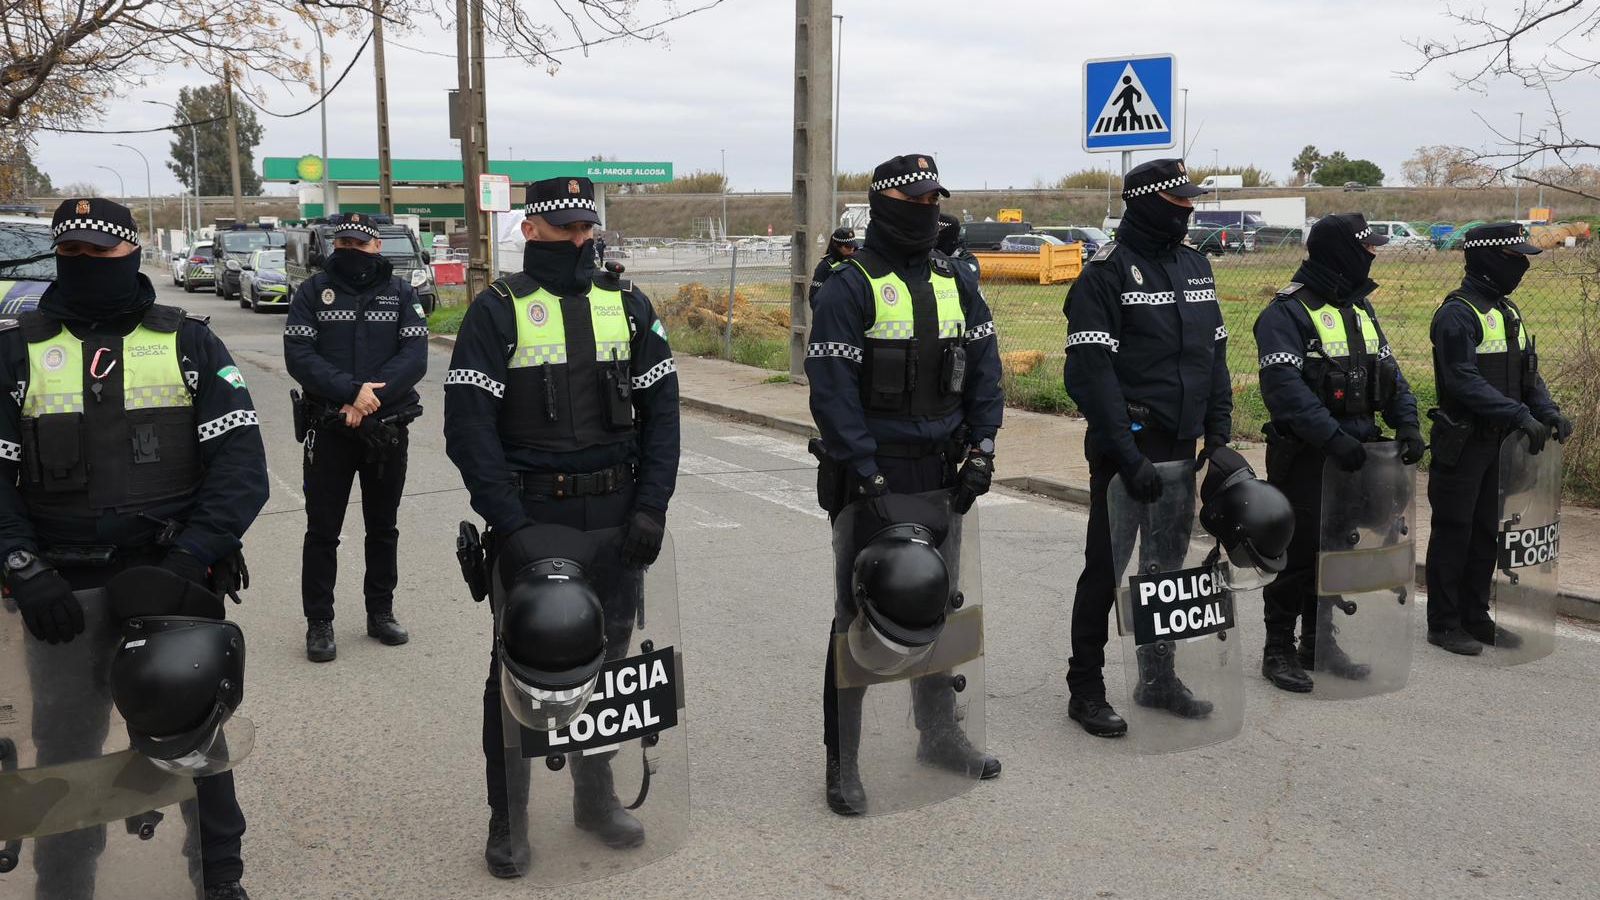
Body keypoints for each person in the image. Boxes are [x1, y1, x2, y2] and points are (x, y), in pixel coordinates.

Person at [0, 197, 267, 900]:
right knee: (64, 754)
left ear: (133, 253)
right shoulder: (15, 350)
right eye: (73, 252)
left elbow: (242, 471)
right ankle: (64, 884)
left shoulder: (188, 342)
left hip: (171, 584)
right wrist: (22, 565)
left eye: (101, 252)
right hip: (59, 593)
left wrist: (185, 564)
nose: (85, 263)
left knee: (196, 744)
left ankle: (219, 880)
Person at [442, 176, 679, 876]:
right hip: (532, 517)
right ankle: (508, 817)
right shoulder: (498, 310)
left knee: (607, 662)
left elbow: (663, 414)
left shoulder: (630, 304)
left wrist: (651, 507)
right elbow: (468, 430)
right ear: (533, 231)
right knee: (519, 666)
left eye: (588, 227)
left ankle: (595, 798)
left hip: (616, 514)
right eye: (567, 228)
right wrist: (509, 527)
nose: (582, 238)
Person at [806, 152, 1004, 815]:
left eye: (935, 202)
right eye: (917, 203)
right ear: (888, 205)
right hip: (871, 480)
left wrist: (983, 448)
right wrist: (866, 473)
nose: (930, 214)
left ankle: (941, 737)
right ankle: (844, 766)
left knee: (939, 603)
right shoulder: (849, 285)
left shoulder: (955, 281)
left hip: (943, 476)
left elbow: (985, 371)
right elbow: (832, 394)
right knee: (858, 617)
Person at [1061, 158, 1230, 738]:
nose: (1189, 212)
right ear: (1148, 203)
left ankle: (1158, 679)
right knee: (1104, 572)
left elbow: (1214, 356)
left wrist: (1222, 436)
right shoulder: (1105, 274)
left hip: (1183, 448)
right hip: (1125, 452)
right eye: (1179, 203)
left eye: (1191, 203)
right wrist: (1127, 457)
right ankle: (1085, 689)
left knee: (1165, 572)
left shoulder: (1195, 265)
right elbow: (1091, 375)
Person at [1252, 213, 1423, 691]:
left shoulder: (1360, 310)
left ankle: (1320, 643)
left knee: (1336, 552)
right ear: (1340, 253)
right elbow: (1284, 390)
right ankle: (1279, 650)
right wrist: (1331, 437)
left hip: (1356, 458)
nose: (1373, 255)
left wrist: (1407, 423)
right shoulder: (1286, 313)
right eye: (1366, 249)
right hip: (1308, 456)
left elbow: (1390, 375)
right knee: (1298, 554)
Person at [284, 212, 427, 663]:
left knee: (383, 527)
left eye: (360, 244)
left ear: (376, 247)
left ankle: (380, 612)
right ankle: (319, 622)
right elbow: (299, 355)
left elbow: (415, 356)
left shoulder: (402, 293)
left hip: (385, 429)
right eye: (343, 242)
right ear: (333, 245)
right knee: (322, 530)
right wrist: (350, 393)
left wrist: (368, 400)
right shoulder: (311, 292)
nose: (351, 250)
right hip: (330, 428)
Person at [1425, 222, 1571, 655]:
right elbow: (1462, 380)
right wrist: (1518, 413)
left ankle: (1475, 616)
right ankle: (1444, 622)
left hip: (1500, 445)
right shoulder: (1457, 314)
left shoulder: (1508, 313)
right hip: (1464, 441)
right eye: (1515, 258)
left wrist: (1546, 410)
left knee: (1487, 530)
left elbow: (1529, 371)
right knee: (1455, 530)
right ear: (1489, 258)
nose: (1523, 266)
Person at [809, 226, 859, 307]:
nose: (852, 249)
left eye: (853, 246)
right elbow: (814, 298)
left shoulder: (857, 262)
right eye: (847, 247)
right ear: (836, 246)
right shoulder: (825, 266)